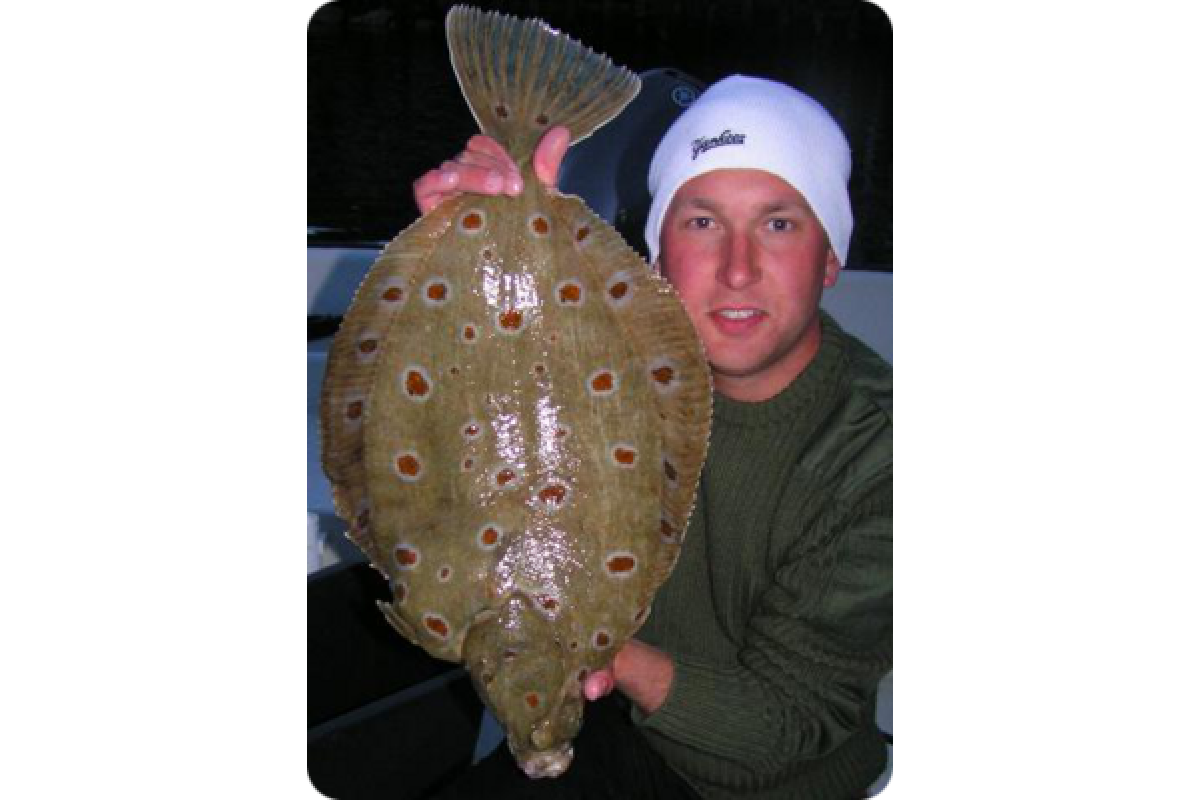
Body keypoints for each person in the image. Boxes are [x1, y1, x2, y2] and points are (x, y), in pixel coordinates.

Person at [414, 75, 893, 800]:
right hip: (624, 735)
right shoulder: (612, 369)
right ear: (660, 257)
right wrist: (458, 265)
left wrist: (596, 649)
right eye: (702, 222)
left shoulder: (873, 456)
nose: (738, 269)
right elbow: (456, 457)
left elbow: (781, 729)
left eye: (778, 224)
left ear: (830, 256)